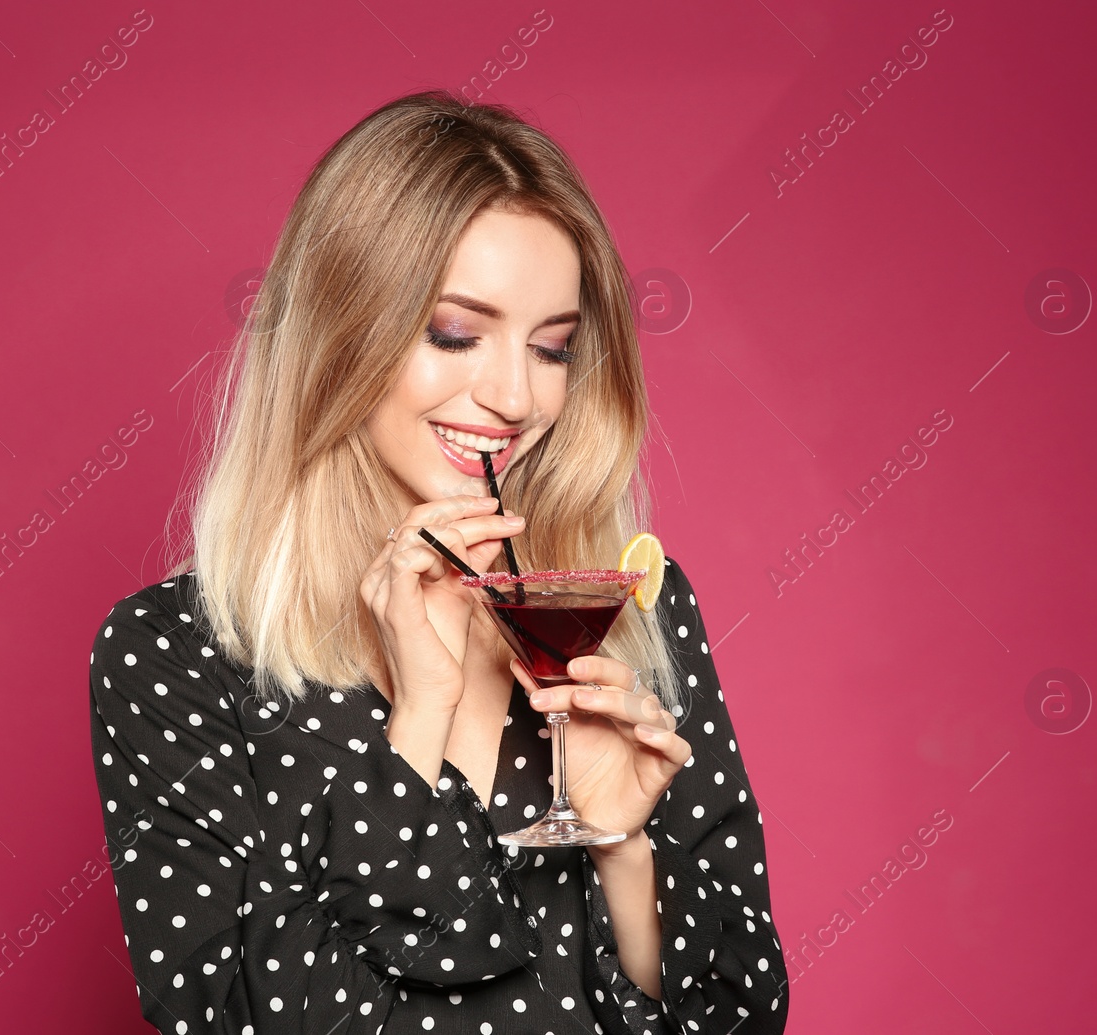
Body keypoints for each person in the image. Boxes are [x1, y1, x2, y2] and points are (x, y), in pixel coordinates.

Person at [88, 89, 788, 1034]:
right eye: (454, 334)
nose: (511, 396)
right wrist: (416, 726)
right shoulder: (175, 651)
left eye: (553, 349)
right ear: (342, 331)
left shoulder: (629, 613)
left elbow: (747, 1013)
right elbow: (237, 1019)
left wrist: (623, 845)